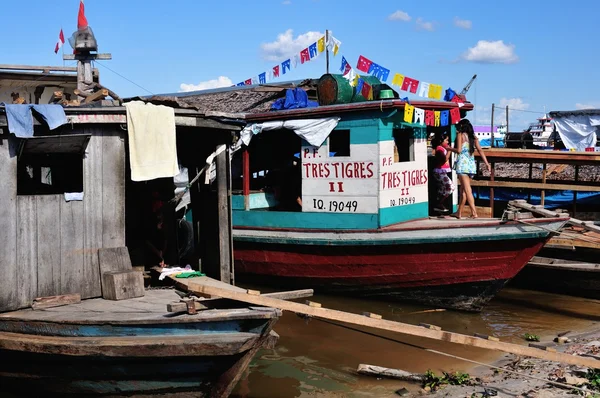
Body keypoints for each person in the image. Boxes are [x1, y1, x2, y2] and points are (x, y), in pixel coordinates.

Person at [454, 119, 491, 219]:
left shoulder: (460, 135)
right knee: (463, 190)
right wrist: (487, 164)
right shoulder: (473, 137)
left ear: (462, 126)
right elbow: (480, 150)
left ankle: (474, 213)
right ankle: (459, 213)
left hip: (462, 165)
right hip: (471, 165)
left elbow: (458, 150)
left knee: (467, 190)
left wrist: (448, 148)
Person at [431, 133, 456, 213]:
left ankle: (438, 201)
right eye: (446, 140)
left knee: (443, 187)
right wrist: (449, 151)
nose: (448, 142)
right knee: (450, 186)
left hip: (441, 172)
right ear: (441, 141)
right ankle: (439, 203)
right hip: (439, 171)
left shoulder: (441, 148)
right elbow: (444, 159)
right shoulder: (439, 149)